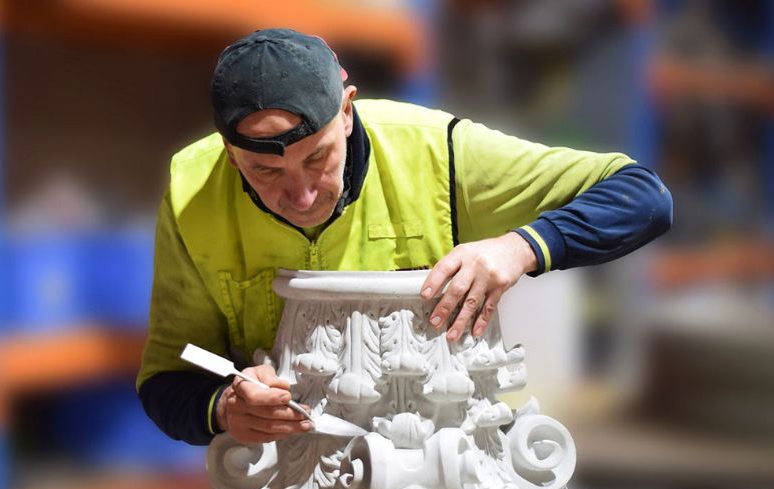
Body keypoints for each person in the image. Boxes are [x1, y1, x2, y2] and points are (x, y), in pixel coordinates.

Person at [138, 28, 672, 447]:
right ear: (231, 155)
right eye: (265, 172)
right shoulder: (192, 193)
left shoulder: (436, 153)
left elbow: (642, 196)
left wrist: (520, 248)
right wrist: (225, 407)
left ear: (347, 111)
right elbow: (167, 379)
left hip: (443, 461)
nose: (301, 195)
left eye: (317, 158)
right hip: (293, 479)